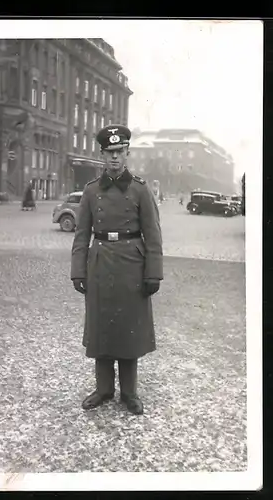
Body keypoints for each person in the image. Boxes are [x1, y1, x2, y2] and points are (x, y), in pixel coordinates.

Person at [70, 124, 163, 415]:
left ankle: (130, 393)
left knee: (128, 329)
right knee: (101, 327)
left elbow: (153, 234)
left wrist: (153, 273)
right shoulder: (90, 191)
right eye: (109, 153)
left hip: (131, 267)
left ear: (127, 154)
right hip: (99, 264)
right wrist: (78, 271)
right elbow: (81, 235)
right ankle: (103, 389)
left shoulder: (139, 190)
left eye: (119, 152)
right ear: (101, 154)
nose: (114, 158)